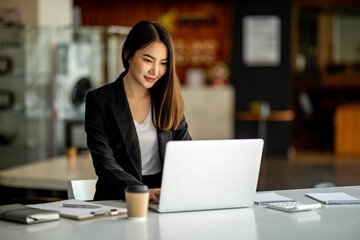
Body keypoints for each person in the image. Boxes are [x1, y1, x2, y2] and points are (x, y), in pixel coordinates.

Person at [85, 21, 191, 203]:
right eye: (148, 60)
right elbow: (104, 162)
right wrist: (141, 191)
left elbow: (186, 153)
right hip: (118, 198)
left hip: (163, 197)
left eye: (163, 63)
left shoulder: (168, 99)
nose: (155, 71)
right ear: (128, 55)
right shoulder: (99, 100)